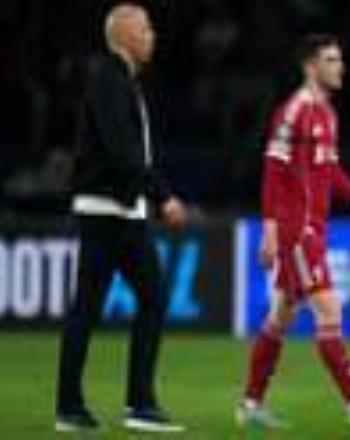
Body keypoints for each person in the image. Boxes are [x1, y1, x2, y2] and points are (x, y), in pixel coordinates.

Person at [236, 34, 350, 429]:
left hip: (315, 229)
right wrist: (270, 231)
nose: (340, 67)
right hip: (298, 231)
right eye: (331, 60)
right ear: (311, 66)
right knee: (329, 309)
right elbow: (272, 173)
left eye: (339, 59)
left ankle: (251, 406)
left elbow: (332, 171)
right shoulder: (292, 112)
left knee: (280, 317)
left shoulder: (327, 113)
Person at [55, 3, 187, 433]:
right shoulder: (107, 80)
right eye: (145, 28)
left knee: (151, 297)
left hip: (125, 211)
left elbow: (129, 154)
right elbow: (123, 153)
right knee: (90, 308)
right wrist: (164, 197)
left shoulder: (122, 80)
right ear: (126, 35)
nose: (152, 35)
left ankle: (139, 405)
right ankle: (72, 408)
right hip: (105, 212)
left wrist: (150, 199)